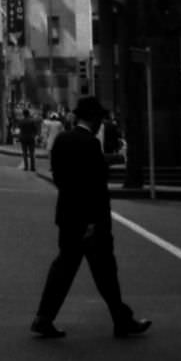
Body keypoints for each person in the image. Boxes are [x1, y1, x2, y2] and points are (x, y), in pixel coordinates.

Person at [31, 96, 151, 340]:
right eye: (100, 119)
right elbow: (96, 186)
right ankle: (121, 320)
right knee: (105, 272)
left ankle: (44, 317)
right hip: (91, 222)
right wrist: (92, 222)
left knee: (64, 269)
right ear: (94, 119)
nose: (101, 124)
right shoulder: (90, 144)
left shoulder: (63, 140)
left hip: (67, 216)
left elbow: (59, 177)